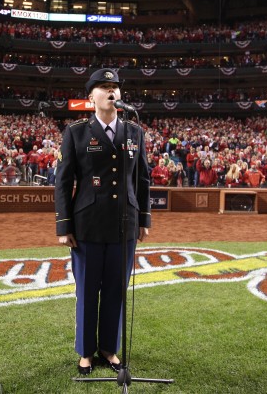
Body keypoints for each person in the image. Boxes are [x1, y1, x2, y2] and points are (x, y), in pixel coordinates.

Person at [54, 68, 151, 376]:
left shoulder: (135, 132)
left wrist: (144, 218)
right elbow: (63, 181)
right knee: (87, 291)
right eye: (104, 87)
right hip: (87, 224)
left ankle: (109, 348)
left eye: (115, 87)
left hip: (125, 224)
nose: (111, 91)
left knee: (115, 290)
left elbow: (143, 178)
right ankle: (85, 351)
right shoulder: (76, 132)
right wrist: (63, 224)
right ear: (91, 96)